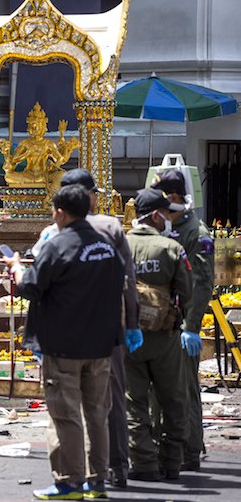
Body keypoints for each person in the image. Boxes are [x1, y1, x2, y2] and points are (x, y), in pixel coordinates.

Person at [5, 184, 124, 500]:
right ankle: (98, 482)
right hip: (100, 346)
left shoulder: (58, 247)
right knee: (97, 413)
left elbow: (30, 287)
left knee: (65, 415)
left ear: (60, 211)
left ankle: (69, 483)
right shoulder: (107, 247)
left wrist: (16, 268)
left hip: (64, 345)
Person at [58, 169, 142, 488]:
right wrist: (132, 324)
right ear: (91, 196)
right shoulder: (110, 226)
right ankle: (115, 468)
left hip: (67, 328)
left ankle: (72, 474)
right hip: (108, 325)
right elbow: (128, 281)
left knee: (66, 404)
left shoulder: (55, 231)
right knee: (110, 397)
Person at [124, 188, 192, 482]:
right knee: (173, 400)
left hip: (128, 337)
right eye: (165, 213)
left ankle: (143, 464)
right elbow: (186, 293)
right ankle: (171, 463)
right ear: (155, 215)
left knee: (133, 403)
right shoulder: (171, 248)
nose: (168, 218)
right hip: (165, 338)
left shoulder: (119, 246)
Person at [150, 169, 214, 471]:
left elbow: (202, 283)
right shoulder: (164, 226)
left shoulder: (196, 233)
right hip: (163, 323)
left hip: (183, 323)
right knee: (160, 390)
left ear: (175, 198)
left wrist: (192, 326)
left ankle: (190, 449)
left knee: (185, 388)